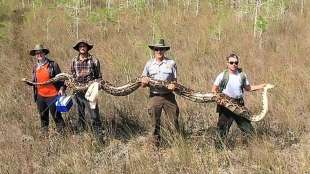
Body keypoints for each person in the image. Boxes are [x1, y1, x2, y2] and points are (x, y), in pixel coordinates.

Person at [211, 53, 266, 148]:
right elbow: (214, 90)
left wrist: (262, 86)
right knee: (222, 129)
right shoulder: (222, 75)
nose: (234, 65)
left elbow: (248, 88)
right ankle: (218, 151)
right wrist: (219, 99)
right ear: (227, 63)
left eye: (236, 62)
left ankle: (256, 147)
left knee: (248, 128)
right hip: (226, 105)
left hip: (239, 104)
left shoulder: (242, 75)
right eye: (231, 62)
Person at [141, 39, 180, 147]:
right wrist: (144, 82)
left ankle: (176, 145)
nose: (159, 51)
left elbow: (175, 81)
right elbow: (143, 82)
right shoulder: (149, 64)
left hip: (169, 96)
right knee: (154, 123)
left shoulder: (171, 63)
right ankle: (155, 146)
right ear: (154, 50)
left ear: (164, 50)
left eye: (161, 49)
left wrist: (173, 85)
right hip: (155, 96)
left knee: (173, 122)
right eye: (157, 49)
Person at [22, 44, 65, 136]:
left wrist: (61, 89)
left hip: (53, 96)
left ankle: (63, 136)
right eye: (37, 53)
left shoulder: (53, 65)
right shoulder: (35, 67)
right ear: (35, 55)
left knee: (57, 116)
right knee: (43, 117)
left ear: (44, 53)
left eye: (40, 52)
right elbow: (36, 83)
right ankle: (45, 136)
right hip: (40, 96)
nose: (39, 54)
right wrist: (27, 82)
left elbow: (61, 79)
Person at [70, 39, 104, 143]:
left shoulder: (94, 60)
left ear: (87, 47)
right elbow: (72, 75)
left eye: (84, 45)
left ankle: (98, 137)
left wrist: (97, 84)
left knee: (94, 115)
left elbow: (99, 77)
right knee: (80, 114)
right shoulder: (74, 61)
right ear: (78, 48)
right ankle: (81, 136)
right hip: (77, 92)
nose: (82, 47)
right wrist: (69, 83)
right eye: (80, 46)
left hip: (91, 91)